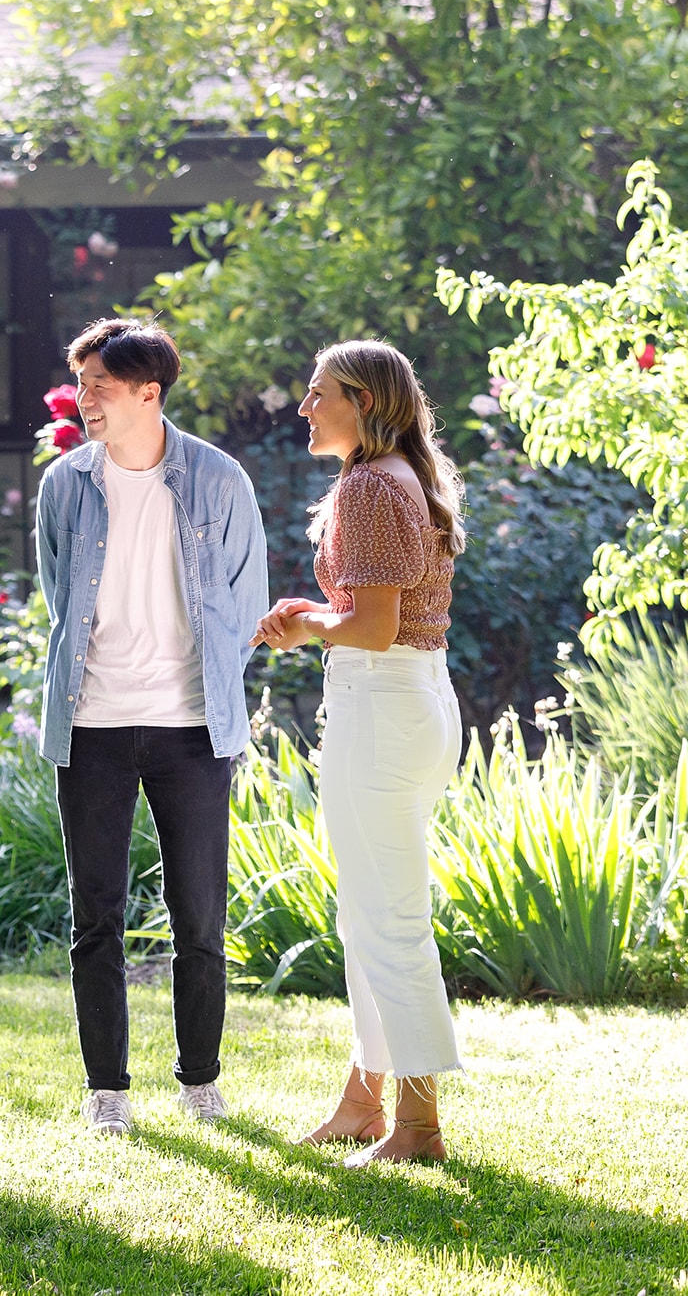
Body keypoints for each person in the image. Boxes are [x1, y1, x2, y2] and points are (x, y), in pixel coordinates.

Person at [33, 317, 271, 1136]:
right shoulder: (64, 484)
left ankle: (200, 1079)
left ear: (148, 391)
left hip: (191, 724)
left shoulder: (218, 479)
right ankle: (108, 1089)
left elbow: (245, 602)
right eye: (82, 383)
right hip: (90, 721)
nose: (84, 397)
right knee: (93, 914)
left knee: (199, 914)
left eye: (99, 383)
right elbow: (58, 592)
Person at [251, 339, 467, 1166]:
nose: (305, 406)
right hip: (405, 702)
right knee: (367, 914)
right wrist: (319, 609)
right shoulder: (394, 478)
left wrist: (308, 624)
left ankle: (418, 1126)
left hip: (381, 709)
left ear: (366, 403)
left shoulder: (374, 485)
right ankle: (364, 1098)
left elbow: (374, 628)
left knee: (390, 921)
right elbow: (380, 611)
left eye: (319, 393)